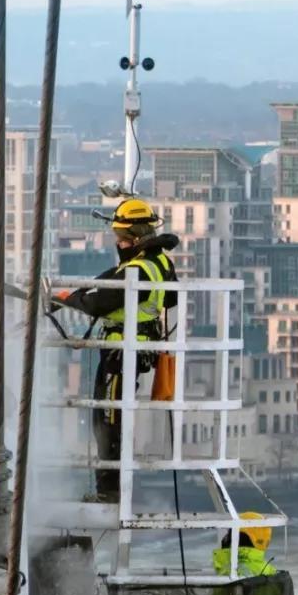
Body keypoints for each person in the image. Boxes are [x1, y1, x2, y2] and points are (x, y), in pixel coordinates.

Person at [51, 198, 178, 502]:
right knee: (112, 415)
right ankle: (110, 488)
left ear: (133, 238)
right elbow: (168, 300)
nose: (118, 244)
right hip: (137, 349)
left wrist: (68, 298)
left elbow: (96, 302)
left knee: (107, 417)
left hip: (121, 353)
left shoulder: (136, 270)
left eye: (121, 238)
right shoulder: (160, 263)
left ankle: (109, 492)